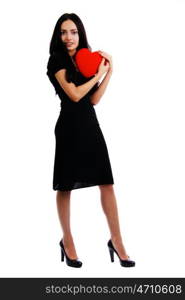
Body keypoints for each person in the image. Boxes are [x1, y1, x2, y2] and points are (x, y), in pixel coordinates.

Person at [46, 13, 135, 268]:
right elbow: (74, 95)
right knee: (65, 186)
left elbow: (92, 100)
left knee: (106, 183)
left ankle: (117, 242)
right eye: (63, 32)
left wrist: (108, 72)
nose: (68, 37)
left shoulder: (85, 60)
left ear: (80, 33)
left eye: (73, 32)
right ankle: (68, 240)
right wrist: (97, 75)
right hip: (69, 128)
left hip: (90, 125)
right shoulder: (57, 61)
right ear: (58, 36)